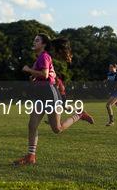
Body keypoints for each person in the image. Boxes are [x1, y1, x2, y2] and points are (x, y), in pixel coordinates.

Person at [13, 34, 94, 166]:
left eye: (37, 40)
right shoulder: (39, 58)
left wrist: (28, 70)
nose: (34, 42)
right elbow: (41, 75)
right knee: (32, 125)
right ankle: (30, 157)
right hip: (40, 94)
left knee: (57, 129)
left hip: (49, 93)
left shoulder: (44, 56)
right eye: (34, 40)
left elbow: (45, 74)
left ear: (44, 44)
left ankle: (79, 115)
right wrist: (33, 76)